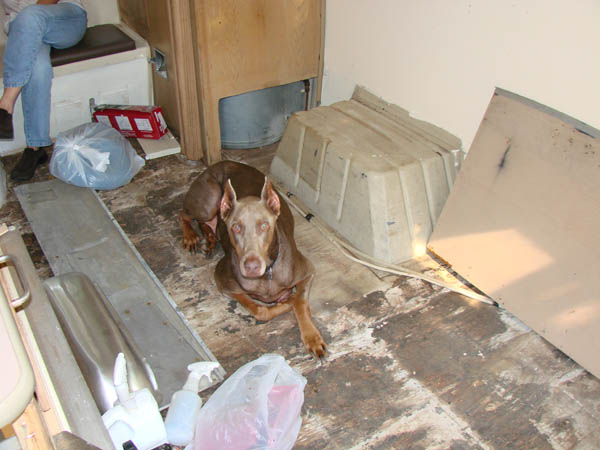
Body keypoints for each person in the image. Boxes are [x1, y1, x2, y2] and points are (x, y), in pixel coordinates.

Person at [0, 0, 86, 181]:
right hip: (22, 28)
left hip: (63, 18)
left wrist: (26, 18)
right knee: (38, 69)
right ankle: (35, 148)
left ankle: (5, 105)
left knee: (30, 15)